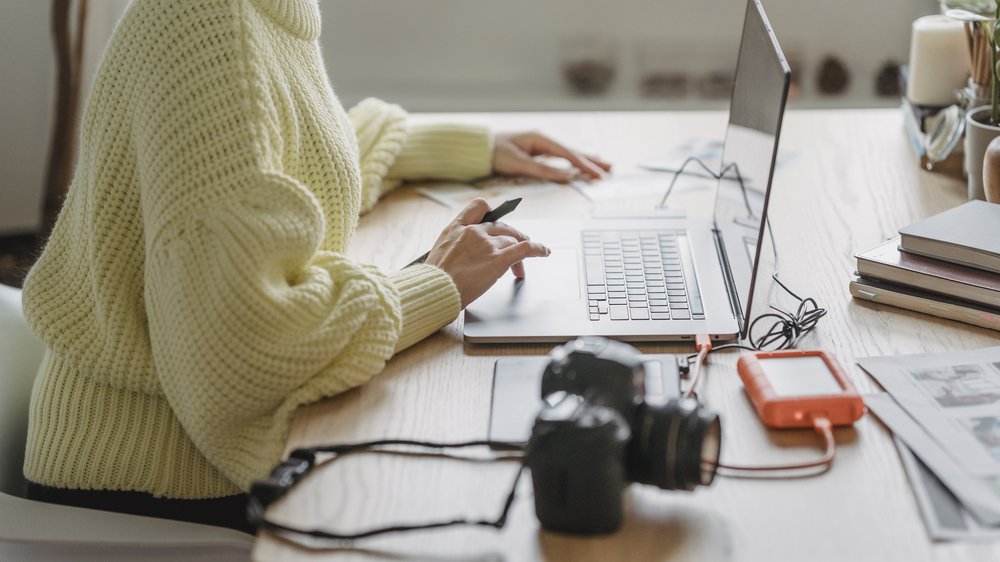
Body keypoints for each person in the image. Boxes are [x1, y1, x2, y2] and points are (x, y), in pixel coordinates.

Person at [20, 0, 610, 534]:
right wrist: (434, 286)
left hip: (187, 444)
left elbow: (276, 163)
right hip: (155, 483)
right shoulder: (206, 18)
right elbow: (240, 346)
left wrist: (467, 147)